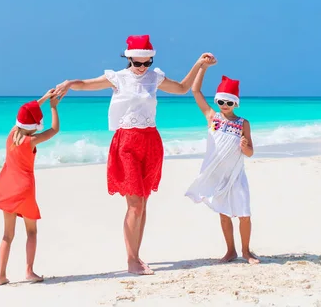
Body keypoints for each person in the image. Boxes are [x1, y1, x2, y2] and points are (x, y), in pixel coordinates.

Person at [53, 34, 214, 275]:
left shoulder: (154, 78)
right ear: (128, 59)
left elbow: (181, 88)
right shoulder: (117, 78)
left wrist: (199, 64)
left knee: (144, 202)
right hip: (126, 143)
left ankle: (137, 256)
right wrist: (68, 82)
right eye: (137, 63)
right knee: (135, 205)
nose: (141, 67)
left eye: (146, 62)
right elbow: (86, 84)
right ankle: (131, 260)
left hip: (150, 142)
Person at [0, 90, 60, 285]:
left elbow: (24, 113)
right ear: (34, 126)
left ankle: (1, 275)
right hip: (24, 190)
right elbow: (54, 129)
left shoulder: (12, 134)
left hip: (6, 187)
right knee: (31, 231)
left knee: (7, 234)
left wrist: (43, 98)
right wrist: (53, 107)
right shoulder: (31, 140)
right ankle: (29, 271)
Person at [184, 65, 260, 264]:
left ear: (235, 103)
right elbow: (195, 90)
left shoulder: (243, 123)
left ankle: (246, 251)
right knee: (224, 214)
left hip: (236, 175)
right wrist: (203, 67)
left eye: (228, 102)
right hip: (217, 175)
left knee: (244, 213)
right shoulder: (212, 117)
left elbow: (250, 152)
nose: (224, 105)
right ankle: (230, 251)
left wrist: (244, 147)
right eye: (220, 101)